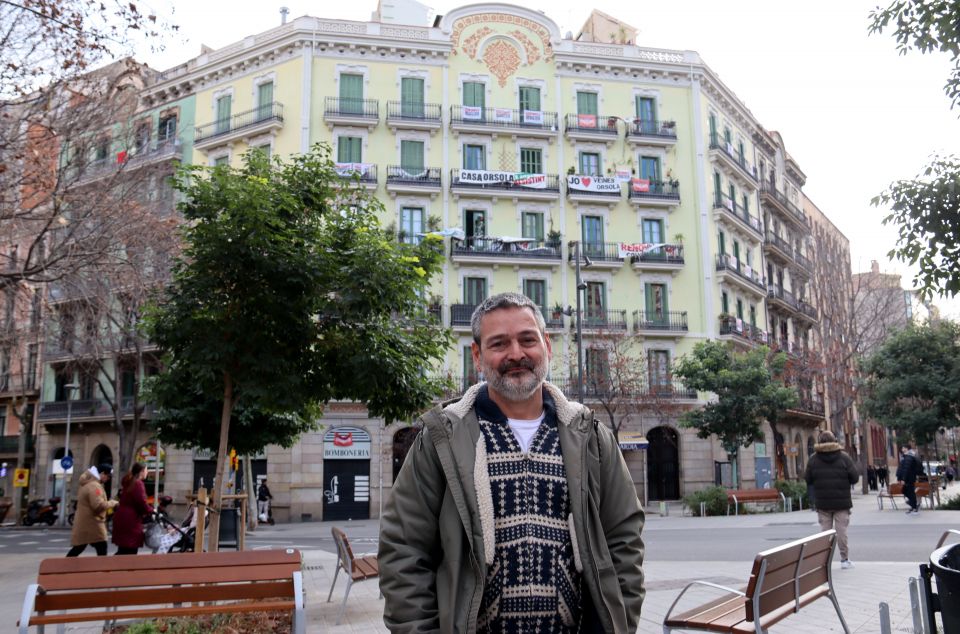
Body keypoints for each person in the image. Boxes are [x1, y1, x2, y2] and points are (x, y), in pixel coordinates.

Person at [379, 292, 645, 633]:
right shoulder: (442, 438)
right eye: (499, 343)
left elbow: (624, 538)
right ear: (477, 355)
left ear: (547, 346)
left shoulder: (591, 437)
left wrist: (617, 624)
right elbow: (403, 547)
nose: (516, 354)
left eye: (527, 340)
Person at [804, 430, 860, 569]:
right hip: (842, 502)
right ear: (834, 440)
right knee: (841, 531)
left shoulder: (813, 459)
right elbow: (854, 478)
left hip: (823, 502)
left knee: (825, 532)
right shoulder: (844, 457)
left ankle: (824, 562)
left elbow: (807, 479)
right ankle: (844, 560)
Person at [67, 466, 117, 557]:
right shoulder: (94, 486)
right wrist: (113, 503)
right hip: (93, 523)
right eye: (108, 476)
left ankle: (64, 567)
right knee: (101, 546)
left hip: (86, 522)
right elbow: (98, 506)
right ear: (102, 473)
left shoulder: (89, 483)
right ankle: (101, 570)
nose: (108, 479)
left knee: (79, 547)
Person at [112, 462, 152, 554]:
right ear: (141, 471)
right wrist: (150, 510)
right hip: (131, 519)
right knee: (130, 548)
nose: (147, 472)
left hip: (122, 517)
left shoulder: (129, 481)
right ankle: (115, 566)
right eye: (146, 470)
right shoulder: (138, 484)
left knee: (123, 548)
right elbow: (141, 502)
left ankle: (114, 566)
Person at [897, 445, 922, 515]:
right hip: (908, 478)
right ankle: (913, 505)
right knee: (907, 491)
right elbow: (901, 468)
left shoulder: (909, 457)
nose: (902, 449)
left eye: (903, 448)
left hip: (909, 478)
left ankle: (914, 506)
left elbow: (906, 469)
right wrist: (899, 478)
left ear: (906, 449)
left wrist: (903, 479)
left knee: (909, 491)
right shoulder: (906, 457)